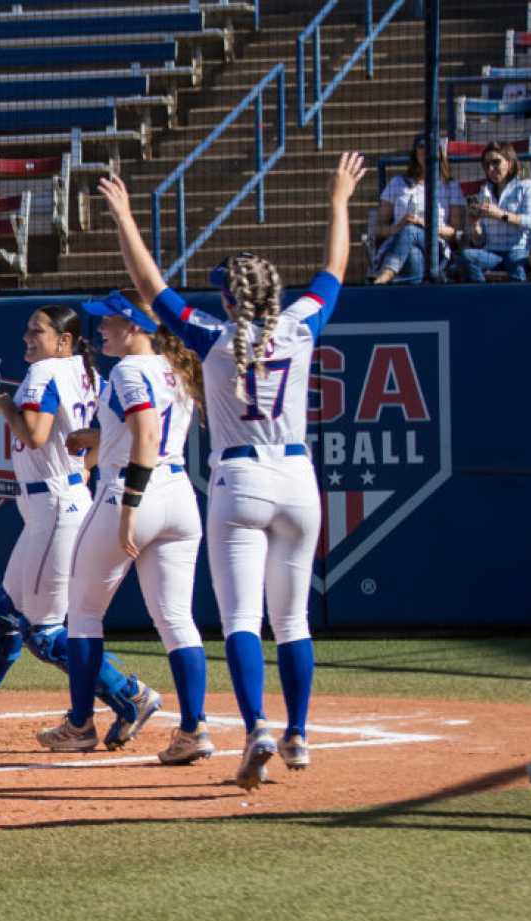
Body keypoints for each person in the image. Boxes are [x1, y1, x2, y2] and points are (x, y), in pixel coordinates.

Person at [99, 152, 367, 789]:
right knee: (294, 620)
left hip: (239, 482)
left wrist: (125, 216)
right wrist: (338, 201)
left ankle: (258, 732)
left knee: (243, 621)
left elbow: (150, 288)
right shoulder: (301, 326)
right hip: (298, 481)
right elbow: (334, 269)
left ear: (227, 295)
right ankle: (298, 734)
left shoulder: (214, 338)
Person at [0, 307, 160, 758]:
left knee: (43, 633)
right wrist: (80, 464)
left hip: (56, 506)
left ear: (63, 340)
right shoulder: (85, 373)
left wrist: (3, 407)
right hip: (60, 499)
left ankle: (131, 695)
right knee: (2, 614)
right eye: (27, 329)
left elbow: (37, 435)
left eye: (37, 330)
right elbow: (106, 438)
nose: (27, 337)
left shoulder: (45, 371)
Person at [34, 288, 208, 769]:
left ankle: (80, 724)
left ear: (133, 326)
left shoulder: (131, 369)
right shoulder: (173, 368)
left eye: (109, 322)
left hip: (133, 490)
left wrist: (130, 503)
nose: (101, 329)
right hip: (178, 495)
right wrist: (100, 437)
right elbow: (141, 431)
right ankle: (194, 728)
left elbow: (146, 433)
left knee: (83, 614)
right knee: (176, 619)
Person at [371, 134, 460, 285]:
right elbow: (378, 229)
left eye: (431, 147)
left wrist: (423, 224)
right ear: (415, 152)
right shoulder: (398, 183)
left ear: (439, 153)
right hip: (398, 243)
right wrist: (399, 226)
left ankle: (386, 274)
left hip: (435, 246)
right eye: (421, 147)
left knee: (411, 230)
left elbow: (455, 232)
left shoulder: (451, 187)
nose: (425, 151)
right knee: (413, 253)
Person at [454, 140, 531, 283]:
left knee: (517, 269)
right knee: (465, 257)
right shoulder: (484, 192)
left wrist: (500, 214)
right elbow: (479, 241)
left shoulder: (528, 186)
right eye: (486, 165)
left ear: (510, 162)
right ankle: (484, 295)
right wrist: (475, 225)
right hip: (492, 252)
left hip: (519, 250)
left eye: (496, 162)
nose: (491, 169)